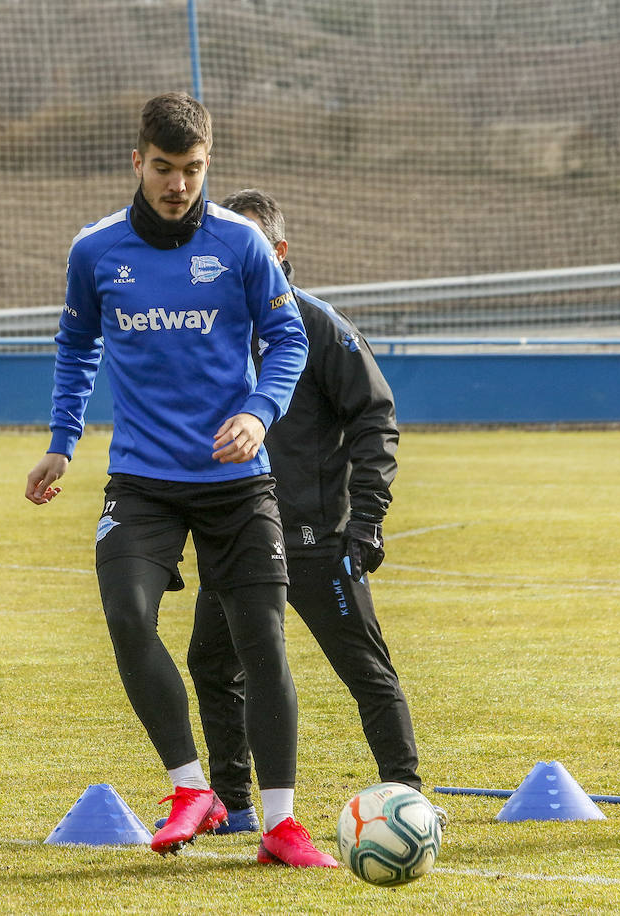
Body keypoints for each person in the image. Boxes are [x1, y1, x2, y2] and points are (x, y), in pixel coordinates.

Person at [24, 94, 338, 867]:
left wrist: (261, 413)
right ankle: (191, 787)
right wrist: (63, 442)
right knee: (128, 615)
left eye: (193, 170)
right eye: (164, 169)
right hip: (143, 481)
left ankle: (282, 825)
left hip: (237, 483)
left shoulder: (240, 244)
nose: (178, 184)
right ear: (138, 162)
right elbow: (76, 346)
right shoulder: (95, 251)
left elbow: (288, 335)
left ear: (207, 166)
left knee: (261, 642)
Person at [181, 188, 443, 833]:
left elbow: (374, 417)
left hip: (315, 539)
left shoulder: (316, 324)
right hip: (238, 536)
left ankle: (406, 798)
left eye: (247, 243)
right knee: (212, 663)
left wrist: (367, 517)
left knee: (364, 669)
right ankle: (236, 806)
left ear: (277, 251)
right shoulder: (208, 328)